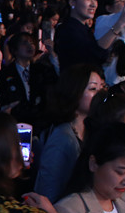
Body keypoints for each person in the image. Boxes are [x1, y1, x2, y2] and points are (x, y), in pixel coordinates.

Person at [34, 64, 104, 203]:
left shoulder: (91, 128)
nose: (100, 95)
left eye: (102, 88)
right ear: (75, 92)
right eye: (93, 89)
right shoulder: (62, 139)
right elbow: (48, 193)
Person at [55, 0, 125, 72]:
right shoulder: (67, 30)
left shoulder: (84, 28)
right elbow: (93, 55)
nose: (93, 4)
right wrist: (119, 24)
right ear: (72, 2)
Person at [0, 32, 58, 134]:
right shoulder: (4, 74)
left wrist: (52, 53)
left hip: (41, 125)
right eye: (24, 43)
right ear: (14, 50)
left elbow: (58, 80)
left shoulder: (41, 69)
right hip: (15, 125)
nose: (30, 46)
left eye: (32, 43)